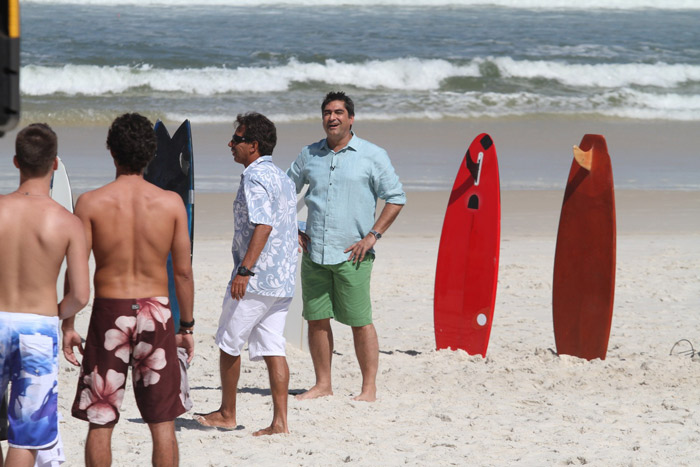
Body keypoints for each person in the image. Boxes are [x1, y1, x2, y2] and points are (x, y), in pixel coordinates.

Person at [61, 113, 195, 466]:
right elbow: (182, 272)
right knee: (163, 421)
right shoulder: (171, 203)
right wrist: (186, 327)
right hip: (158, 313)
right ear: (152, 154)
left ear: (111, 151)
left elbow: (77, 272)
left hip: (110, 314)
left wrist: (68, 324)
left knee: (100, 419)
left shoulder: (90, 203)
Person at [287, 92, 406, 402]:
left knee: (359, 322)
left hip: (353, 254)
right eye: (327, 112)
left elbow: (396, 197)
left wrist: (373, 236)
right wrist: (293, 229)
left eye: (339, 112)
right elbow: (284, 193)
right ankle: (323, 384)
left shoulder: (372, 155)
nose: (332, 117)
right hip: (315, 253)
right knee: (316, 319)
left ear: (351, 118)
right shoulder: (309, 154)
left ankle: (369, 389)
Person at [195, 112, 297, 436]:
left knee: (229, 342)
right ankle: (280, 423)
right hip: (281, 280)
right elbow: (284, 221)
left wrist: (244, 270)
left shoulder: (254, 177)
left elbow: (264, 224)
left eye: (236, 139)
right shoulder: (283, 177)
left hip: (256, 279)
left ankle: (227, 413)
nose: (231, 144)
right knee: (273, 348)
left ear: (253, 145)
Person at [0, 123, 90, 467]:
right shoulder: (67, 222)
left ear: (15, 162)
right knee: (27, 435)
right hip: (37, 327)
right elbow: (81, 294)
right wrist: (55, 311)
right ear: (55, 164)